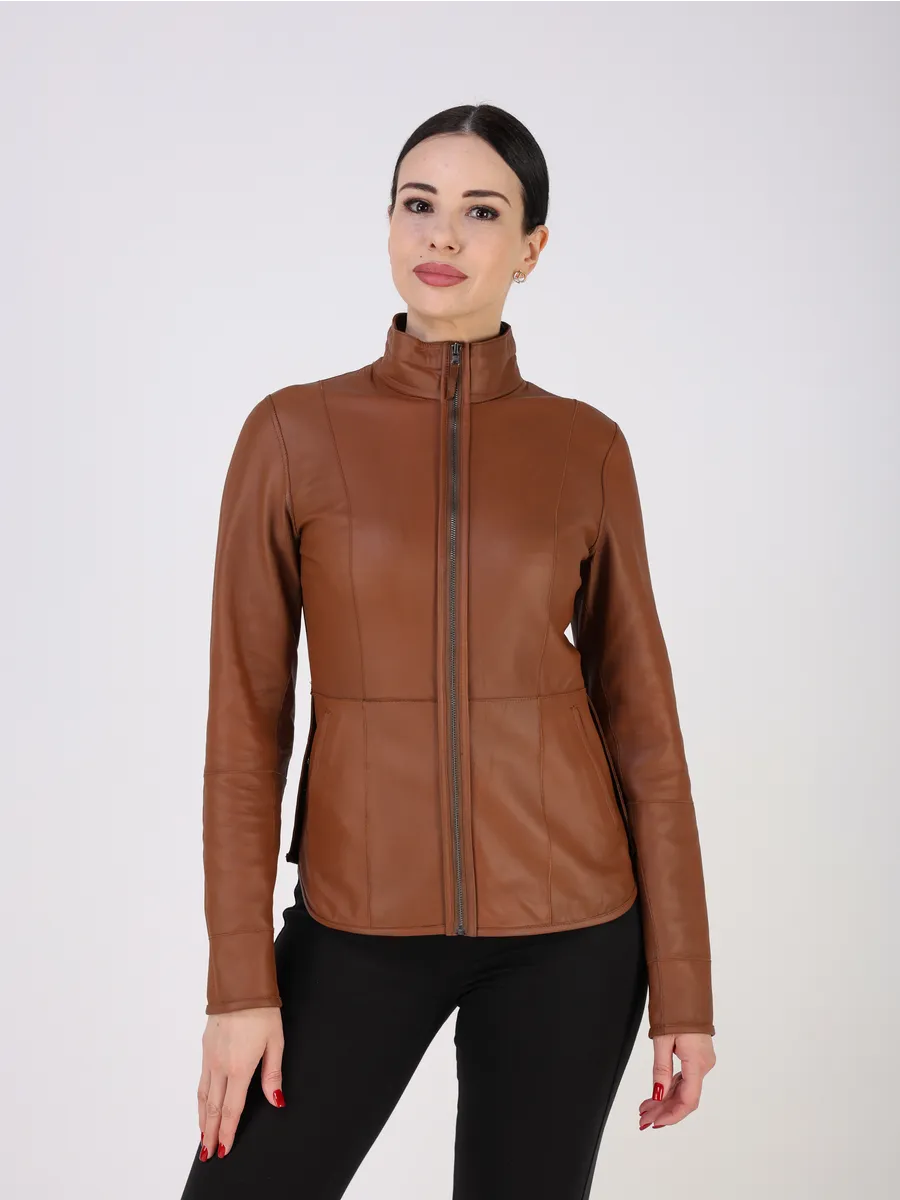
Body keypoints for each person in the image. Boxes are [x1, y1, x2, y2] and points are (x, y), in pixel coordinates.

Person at [179, 102, 716, 1200]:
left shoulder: (585, 446)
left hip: (574, 928)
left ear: (531, 248)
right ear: (387, 223)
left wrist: (686, 993)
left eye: (481, 212)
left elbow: (645, 729)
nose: (442, 234)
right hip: (356, 922)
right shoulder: (291, 433)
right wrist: (241, 983)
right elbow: (244, 728)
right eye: (418, 204)